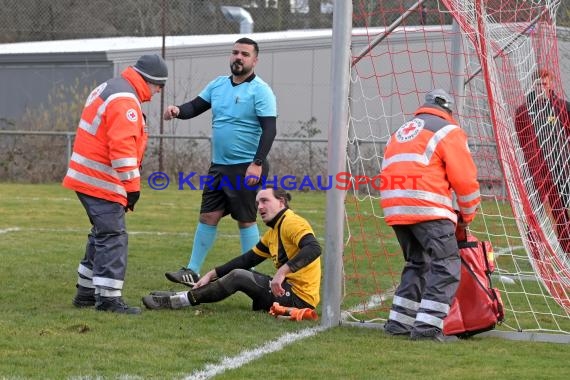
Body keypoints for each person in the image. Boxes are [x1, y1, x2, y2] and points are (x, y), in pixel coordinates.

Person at [162, 37, 277, 286]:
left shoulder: (261, 90)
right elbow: (195, 106)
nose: (239, 57)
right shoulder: (217, 85)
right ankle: (191, 270)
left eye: (245, 54)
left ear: (254, 60)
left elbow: (269, 130)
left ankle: (252, 276)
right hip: (219, 166)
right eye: (235, 52)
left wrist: (257, 163)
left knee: (245, 220)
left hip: (247, 166)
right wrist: (177, 111)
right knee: (208, 217)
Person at [63, 54, 168, 314]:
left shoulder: (113, 87)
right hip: (100, 180)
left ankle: (86, 292)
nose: (156, 93)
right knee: (113, 236)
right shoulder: (125, 99)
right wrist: (132, 188)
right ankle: (108, 299)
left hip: (88, 176)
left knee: (101, 233)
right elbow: (122, 150)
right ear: (150, 80)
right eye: (158, 86)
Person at [380, 89, 481, 342]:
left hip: (395, 209)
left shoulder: (400, 132)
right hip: (428, 207)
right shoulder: (448, 131)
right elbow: (465, 181)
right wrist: (467, 215)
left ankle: (398, 324)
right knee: (446, 265)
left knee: (417, 263)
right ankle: (426, 330)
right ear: (448, 110)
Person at [142, 186, 321, 313]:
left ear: (281, 202)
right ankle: (183, 295)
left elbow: (313, 248)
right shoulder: (273, 231)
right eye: (258, 202)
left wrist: (282, 272)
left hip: (299, 300)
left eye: (265, 201)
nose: (259, 207)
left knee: (239, 276)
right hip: (285, 291)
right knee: (240, 271)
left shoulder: (291, 221)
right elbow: (247, 260)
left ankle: (177, 301)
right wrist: (211, 274)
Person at [514, 68, 570, 252]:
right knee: (533, 212)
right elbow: (522, 140)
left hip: (559, 169)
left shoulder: (562, 107)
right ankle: (536, 249)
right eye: (537, 84)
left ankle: (567, 248)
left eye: (544, 84)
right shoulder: (523, 111)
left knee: (561, 211)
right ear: (533, 85)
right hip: (535, 171)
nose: (540, 88)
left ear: (550, 84)